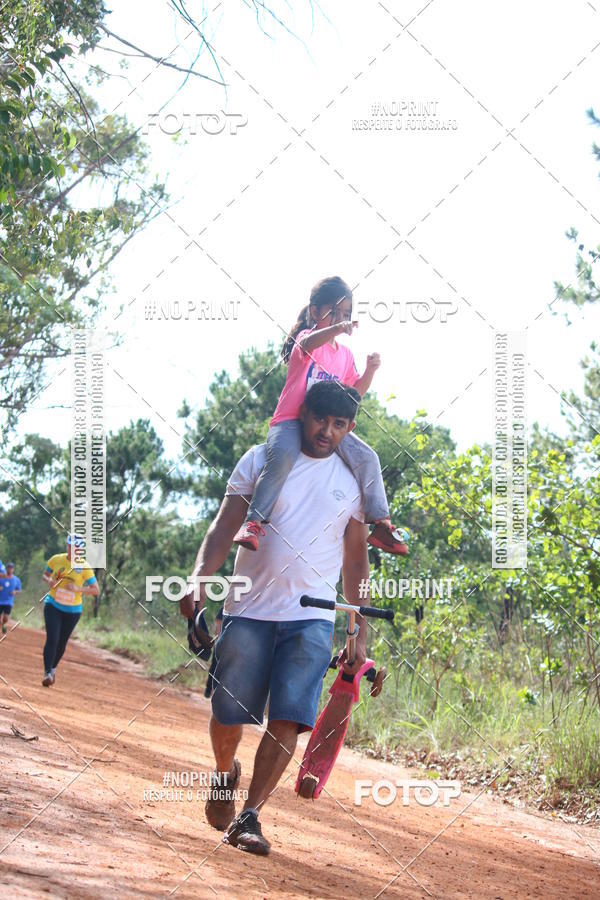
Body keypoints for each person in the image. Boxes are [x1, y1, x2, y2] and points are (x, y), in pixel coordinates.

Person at [181, 380, 372, 856]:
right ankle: (225, 772)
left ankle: (250, 815)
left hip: (312, 617)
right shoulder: (262, 459)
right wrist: (198, 577)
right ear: (302, 414)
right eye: (319, 420)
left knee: (289, 716)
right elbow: (226, 524)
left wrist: (358, 627)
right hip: (248, 609)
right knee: (228, 714)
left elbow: (355, 560)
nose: (327, 431)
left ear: (349, 428)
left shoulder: (353, 484)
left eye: (339, 424)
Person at [232, 275, 407, 556]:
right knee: (282, 457)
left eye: (345, 314)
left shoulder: (345, 356)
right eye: (332, 312)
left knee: (368, 458)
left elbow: (353, 395)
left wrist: (370, 371)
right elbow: (309, 344)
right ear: (314, 311)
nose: (340, 319)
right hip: (292, 422)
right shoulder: (306, 340)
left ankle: (381, 525)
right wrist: (337, 328)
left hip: (326, 426)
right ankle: (253, 522)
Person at [40, 535, 99, 687]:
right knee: (52, 639)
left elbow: (95, 590)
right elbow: (45, 575)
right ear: (67, 546)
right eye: (70, 547)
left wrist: (78, 589)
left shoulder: (84, 567)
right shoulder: (56, 559)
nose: (73, 550)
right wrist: (50, 581)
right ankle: (47, 673)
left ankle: (53, 669)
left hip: (73, 611)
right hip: (53, 605)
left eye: (76, 548)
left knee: (61, 642)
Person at [0, 562, 22, 634]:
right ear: (6, 569)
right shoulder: (1, 578)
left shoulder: (16, 580)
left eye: (11, 568)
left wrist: (15, 592)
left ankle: (3, 624)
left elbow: (19, 590)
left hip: (8, 602)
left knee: (5, 618)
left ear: (13, 569)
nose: (10, 570)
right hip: (0, 600)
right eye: (8, 568)